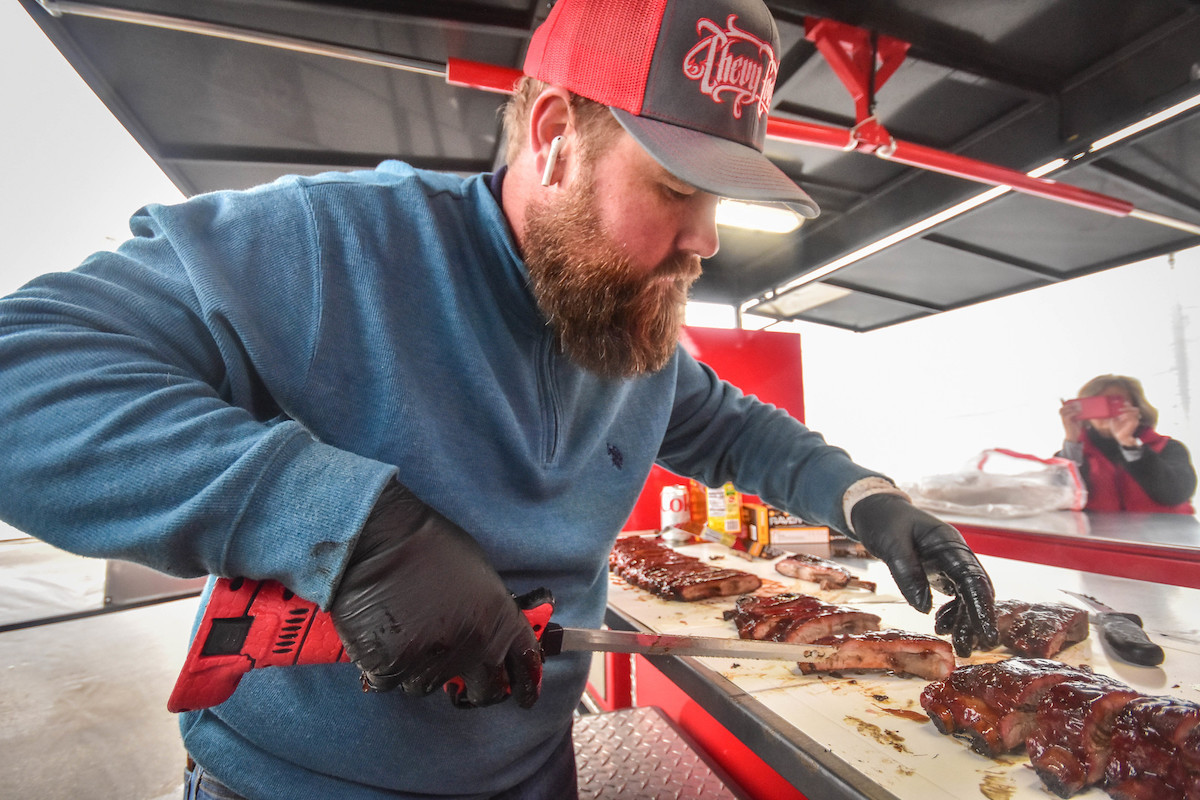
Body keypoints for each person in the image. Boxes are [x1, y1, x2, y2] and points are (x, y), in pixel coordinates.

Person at [0, 0, 998, 797]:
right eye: (672, 190)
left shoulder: (623, 327)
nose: (705, 241)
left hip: (534, 776)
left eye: (717, 203)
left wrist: (870, 500)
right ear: (558, 134)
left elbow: (732, 426)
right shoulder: (332, 247)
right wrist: (346, 526)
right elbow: (23, 373)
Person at [1058, 374, 1196, 514]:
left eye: (1115, 403)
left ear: (1137, 409)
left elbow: (1176, 494)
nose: (1107, 413)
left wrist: (1129, 444)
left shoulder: (1168, 448)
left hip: (1165, 534)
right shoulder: (1073, 454)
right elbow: (1058, 499)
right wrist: (1072, 440)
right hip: (1098, 535)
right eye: (1096, 405)